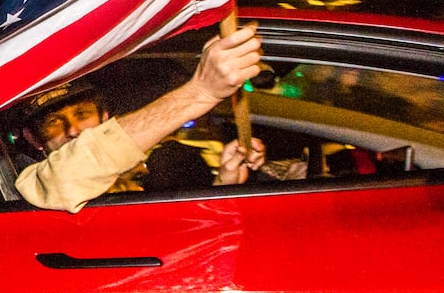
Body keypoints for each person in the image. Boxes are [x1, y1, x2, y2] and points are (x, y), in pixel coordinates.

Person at [15, 23, 267, 212]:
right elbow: (66, 177)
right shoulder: (36, 183)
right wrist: (200, 92)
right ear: (33, 138)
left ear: (105, 117)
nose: (73, 129)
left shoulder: (152, 172)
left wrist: (225, 183)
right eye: (53, 122)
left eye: (82, 114)